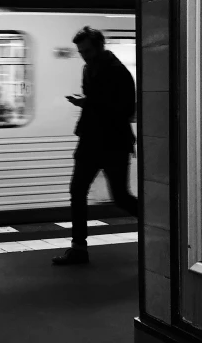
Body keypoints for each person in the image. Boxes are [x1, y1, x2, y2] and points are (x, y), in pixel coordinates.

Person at [52, 26, 138, 265]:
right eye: (80, 51)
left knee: (120, 197)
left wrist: (87, 103)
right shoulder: (88, 69)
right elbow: (98, 103)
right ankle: (78, 248)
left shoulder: (118, 72)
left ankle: (162, 229)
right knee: (77, 191)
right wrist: (87, 103)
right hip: (90, 140)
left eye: (87, 50)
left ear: (100, 46)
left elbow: (125, 109)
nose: (84, 55)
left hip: (114, 143)